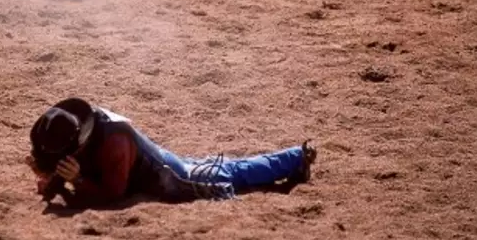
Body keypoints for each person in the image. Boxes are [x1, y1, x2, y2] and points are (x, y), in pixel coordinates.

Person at [27, 97, 317, 209]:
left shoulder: (114, 145)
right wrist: (50, 175)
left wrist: (76, 181)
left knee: (232, 174)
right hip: (156, 159)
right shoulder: (79, 128)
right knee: (226, 168)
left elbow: (114, 193)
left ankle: (296, 157)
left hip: (170, 177)